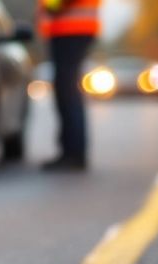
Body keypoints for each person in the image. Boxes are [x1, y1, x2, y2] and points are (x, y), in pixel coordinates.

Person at [40, 0, 100, 171]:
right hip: (69, 28)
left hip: (71, 28)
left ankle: (73, 154)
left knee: (68, 92)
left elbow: (55, 4)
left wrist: (51, 7)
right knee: (66, 90)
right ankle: (71, 152)